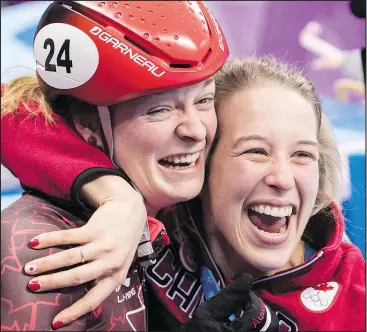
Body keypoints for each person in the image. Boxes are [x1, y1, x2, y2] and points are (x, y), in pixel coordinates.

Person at [4, 55, 366, 331]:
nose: (283, 178)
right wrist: (116, 194)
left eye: (302, 155)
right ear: (203, 159)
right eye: (256, 151)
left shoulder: (353, 294)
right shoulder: (171, 210)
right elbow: (15, 109)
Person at [1, 1, 281, 331]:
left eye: (204, 100)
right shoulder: (43, 245)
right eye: (159, 110)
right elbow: (14, 110)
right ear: (86, 123)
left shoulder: (189, 192)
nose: (195, 130)